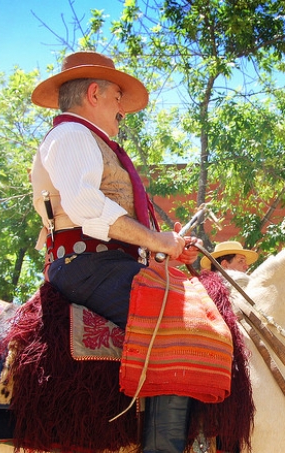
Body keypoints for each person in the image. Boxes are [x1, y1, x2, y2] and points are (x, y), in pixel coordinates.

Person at [29, 51, 201, 453]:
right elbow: (87, 207)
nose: (122, 109)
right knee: (176, 324)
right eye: (118, 97)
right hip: (85, 264)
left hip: (102, 262)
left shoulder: (89, 141)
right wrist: (160, 242)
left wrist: (166, 250)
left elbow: (108, 221)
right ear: (94, 93)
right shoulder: (72, 135)